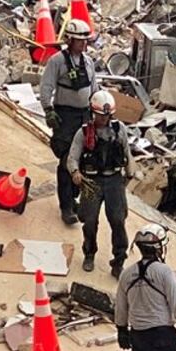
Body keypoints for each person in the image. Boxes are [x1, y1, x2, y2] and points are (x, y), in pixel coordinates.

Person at [114, 224, 176, 351]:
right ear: (160, 247)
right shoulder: (164, 271)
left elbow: (121, 307)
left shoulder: (126, 274)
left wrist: (121, 330)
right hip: (163, 335)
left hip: (139, 337)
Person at [67, 90, 133, 276]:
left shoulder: (120, 130)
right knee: (89, 220)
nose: (103, 120)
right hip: (91, 181)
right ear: (92, 113)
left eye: (106, 116)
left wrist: (129, 175)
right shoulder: (83, 133)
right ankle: (89, 253)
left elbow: (127, 153)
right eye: (99, 116)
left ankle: (119, 261)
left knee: (118, 220)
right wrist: (75, 172)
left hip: (113, 180)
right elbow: (72, 158)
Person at [39, 19, 99, 225]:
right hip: (65, 117)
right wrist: (48, 110)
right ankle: (66, 207)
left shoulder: (89, 62)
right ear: (70, 40)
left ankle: (74, 198)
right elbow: (46, 87)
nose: (84, 44)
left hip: (84, 116)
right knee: (66, 161)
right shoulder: (57, 61)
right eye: (80, 40)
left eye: (86, 41)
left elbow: (94, 89)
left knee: (81, 160)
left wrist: (97, 112)